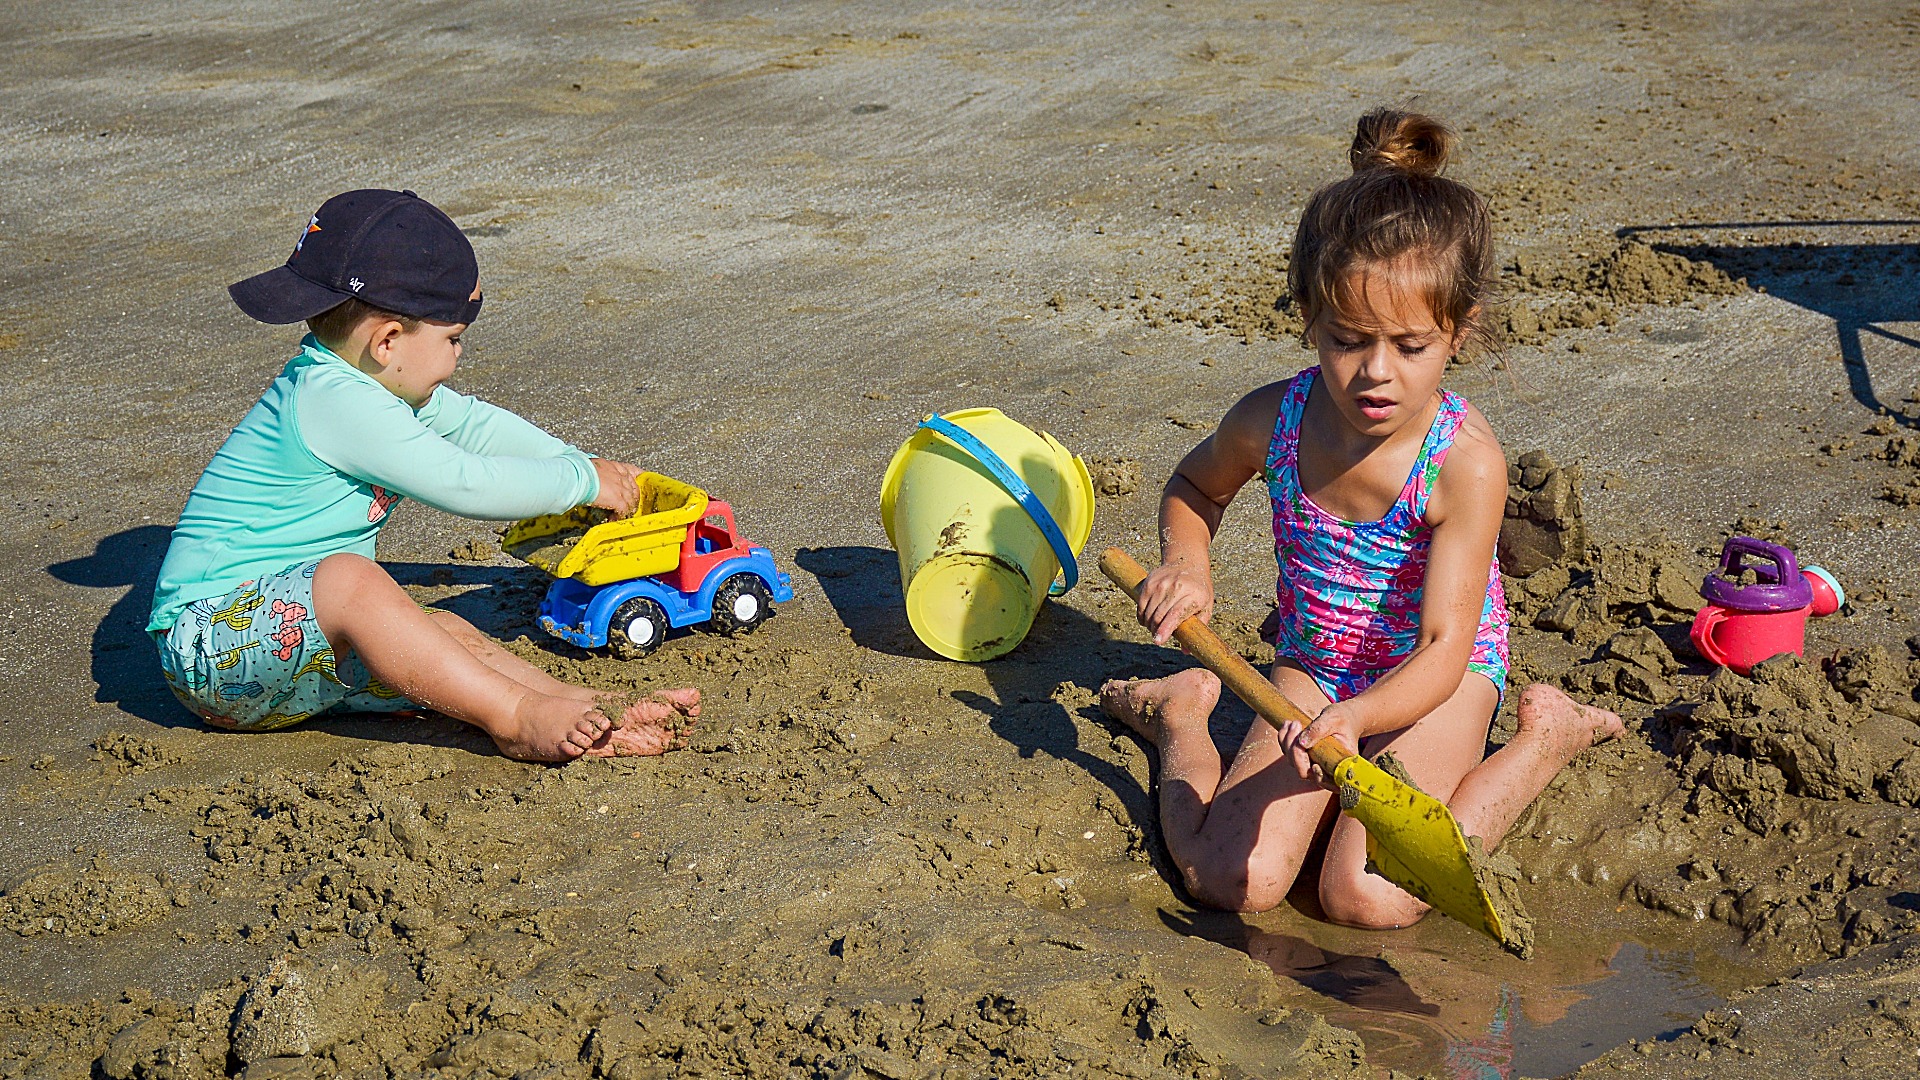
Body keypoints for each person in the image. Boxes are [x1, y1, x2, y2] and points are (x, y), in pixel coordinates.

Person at [1100, 111, 1623, 927]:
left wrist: (1362, 719)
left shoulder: (1461, 461)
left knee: (1367, 894)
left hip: (1432, 681)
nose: (1376, 373)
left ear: (1459, 328)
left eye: (1410, 347)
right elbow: (1196, 490)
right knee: (1233, 879)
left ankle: (1545, 739)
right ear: (1308, 315)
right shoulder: (1271, 420)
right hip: (1317, 666)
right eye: (1347, 340)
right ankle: (1179, 714)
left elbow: (1446, 650)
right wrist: (1187, 562)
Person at [148, 189, 699, 762]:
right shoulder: (333, 399)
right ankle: (514, 718)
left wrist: (579, 463)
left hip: (295, 651)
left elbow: (475, 427)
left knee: (436, 636)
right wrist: (580, 485)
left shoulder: (375, 381)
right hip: (211, 649)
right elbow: (462, 480)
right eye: (453, 339)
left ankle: (585, 706)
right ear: (387, 340)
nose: (458, 355)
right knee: (354, 582)